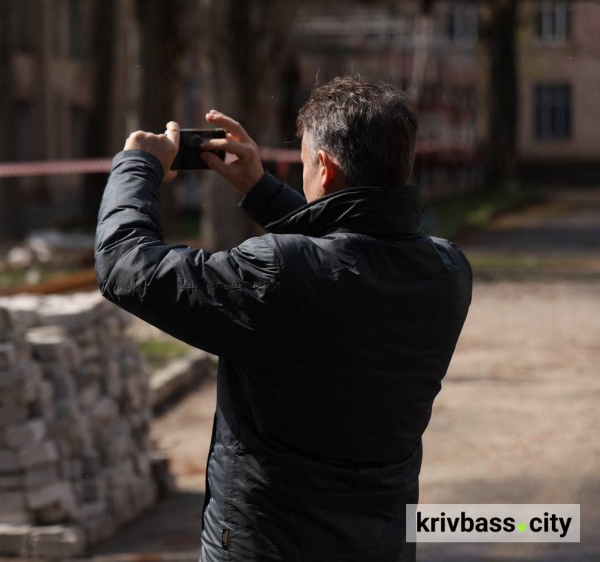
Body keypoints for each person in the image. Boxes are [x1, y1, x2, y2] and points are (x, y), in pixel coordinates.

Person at [94, 76, 472, 562]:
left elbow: (124, 265)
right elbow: (349, 254)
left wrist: (137, 165)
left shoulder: (279, 273)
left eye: (307, 162)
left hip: (270, 545)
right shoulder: (447, 270)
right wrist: (261, 191)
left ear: (325, 168)